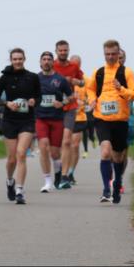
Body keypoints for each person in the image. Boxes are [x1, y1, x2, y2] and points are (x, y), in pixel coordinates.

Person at [86, 40, 134, 204]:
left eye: (113, 54)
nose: (110, 57)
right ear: (104, 54)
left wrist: (121, 89)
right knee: (105, 152)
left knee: (118, 157)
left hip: (120, 120)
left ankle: (117, 183)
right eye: (107, 54)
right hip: (102, 118)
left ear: (118, 54)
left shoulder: (127, 72)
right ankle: (106, 189)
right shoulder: (98, 72)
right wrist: (92, 99)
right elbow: (90, 88)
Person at [0, 48, 40, 205]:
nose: (18, 61)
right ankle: (10, 181)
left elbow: (39, 96)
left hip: (27, 120)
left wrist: (33, 100)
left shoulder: (32, 77)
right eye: (15, 59)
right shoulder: (5, 78)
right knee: (11, 159)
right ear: (11, 60)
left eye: (20, 58)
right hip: (10, 120)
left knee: (21, 154)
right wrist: (7, 103)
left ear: (24, 59)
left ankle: (20, 189)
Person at [35, 51, 74, 192]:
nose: (46, 61)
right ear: (40, 62)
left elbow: (71, 96)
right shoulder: (35, 79)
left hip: (56, 119)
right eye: (44, 59)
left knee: (55, 153)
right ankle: (47, 181)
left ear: (53, 62)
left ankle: (58, 175)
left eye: (49, 59)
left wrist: (62, 102)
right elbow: (28, 95)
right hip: (41, 118)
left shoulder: (60, 79)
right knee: (43, 146)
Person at [53, 41, 84, 188]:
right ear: (56, 51)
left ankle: (65, 175)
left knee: (66, 141)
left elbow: (83, 82)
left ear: (68, 50)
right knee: (55, 146)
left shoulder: (74, 66)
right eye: (61, 50)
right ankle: (58, 172)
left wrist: (77, 81)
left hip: (70, 106)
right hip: (54, 107)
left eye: (65, 50)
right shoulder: (51, 65)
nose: (63, 52)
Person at [116, 48, 134, 193]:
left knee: (123, 153)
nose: (118, 60)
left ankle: (118, 179)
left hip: (128, 119)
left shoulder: (132, 75)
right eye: (116, 57)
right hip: (110, 118)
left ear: (124, 59)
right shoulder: (105, 74)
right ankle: (112, 177)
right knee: (109, 152)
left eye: (121, 57)